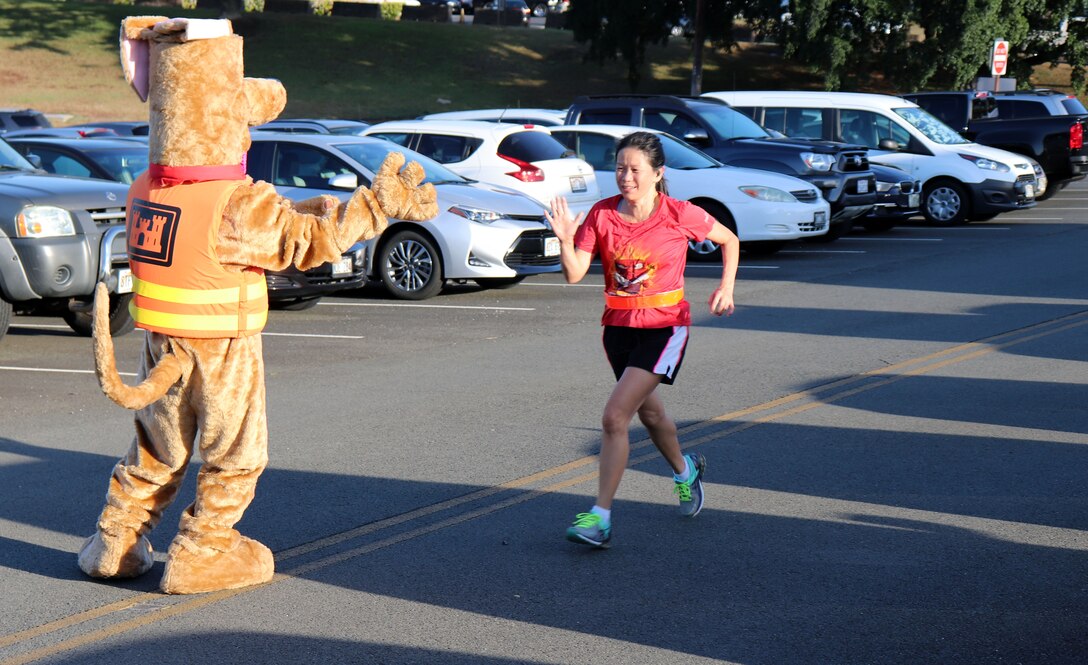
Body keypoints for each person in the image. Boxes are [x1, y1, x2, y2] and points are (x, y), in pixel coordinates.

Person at [545, 130, 739, 549]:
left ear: (657, 173)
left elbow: (729, 240)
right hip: (618, 330)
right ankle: (686, 471)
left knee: (616, 416)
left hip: (665, 328)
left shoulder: (678, 213)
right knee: (650, 416)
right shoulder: (601, 215)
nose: (625, 176)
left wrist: (726, 288)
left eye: (635, 169)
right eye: (619, 168)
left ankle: (600, 518)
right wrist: (564, 239)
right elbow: (575, 272)